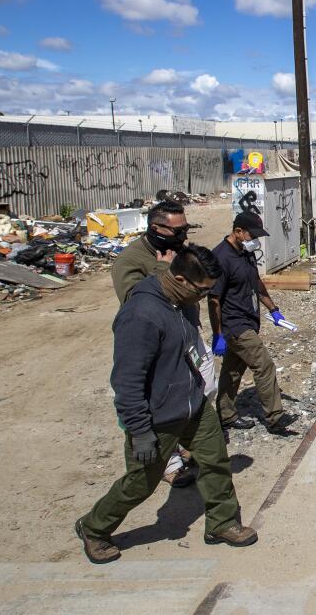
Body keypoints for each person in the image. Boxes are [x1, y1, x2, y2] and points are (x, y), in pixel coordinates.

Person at [76, 245, 256, 564]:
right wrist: (140, 431)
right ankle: (94, 528)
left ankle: (222, 523)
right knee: (140, 483)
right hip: (158, 417)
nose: (204, 297)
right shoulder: (141, 315)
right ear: (183, 281)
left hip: (193, 405)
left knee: (214, 463)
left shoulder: (177, 294)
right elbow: (127, 382)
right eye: (201, 290)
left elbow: (163, 271)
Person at [111, 200, 206, 488]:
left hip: (186, 333)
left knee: (196, 390)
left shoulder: (179, 251)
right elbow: (134, 303)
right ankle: (168, 463)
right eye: (178, 230)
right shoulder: (131, 260)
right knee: (159, 400)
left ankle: (184, 441)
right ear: (157, 228)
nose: (183, 235)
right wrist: (160, 269)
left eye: (185, 228)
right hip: (157, 343)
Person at [208, 211, 298, 434]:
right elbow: (214, 300)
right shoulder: (220, 258)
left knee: (232, 371)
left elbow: (256, 283)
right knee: (263, 365)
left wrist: (274, 310)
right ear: (237, 232)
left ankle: (226, 415)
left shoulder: (245, 253)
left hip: (249, 319)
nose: (255, 241)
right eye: (252, 235)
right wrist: (218, 333)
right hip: (235, 325)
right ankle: (276, 417)